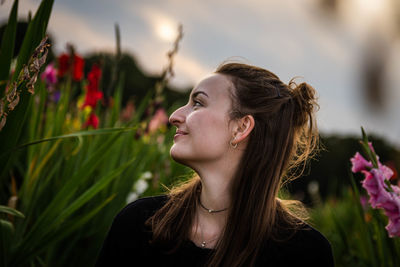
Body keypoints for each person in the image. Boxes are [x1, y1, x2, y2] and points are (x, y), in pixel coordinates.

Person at [95, 62, 334, 267]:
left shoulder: (305, 254)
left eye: (198, 103)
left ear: (240, 128)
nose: (174, 116)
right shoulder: (138, 224)